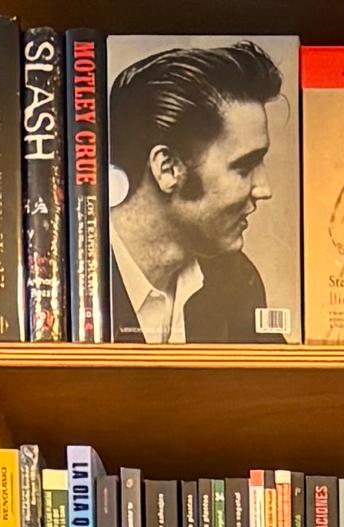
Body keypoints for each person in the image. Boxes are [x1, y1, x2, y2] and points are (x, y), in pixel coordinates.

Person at [104, 38, 290, 340]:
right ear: (168, 169)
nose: (264, 189)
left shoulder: (239, 281)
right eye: (244, 167)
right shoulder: (76, 284)